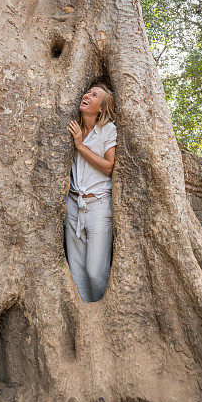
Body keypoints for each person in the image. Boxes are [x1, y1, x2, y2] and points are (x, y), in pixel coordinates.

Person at [64, 83, 117, 302]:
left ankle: (100, 312)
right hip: (74, 204)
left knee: (95, 271)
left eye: (95, 96)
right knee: (76, 270)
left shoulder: (107, 130)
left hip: (98, 205)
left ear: (102, 109)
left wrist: (80, 145)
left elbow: (108, 166)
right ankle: (85, 317)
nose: (87, 95)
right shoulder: (73, 126)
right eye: (88, 92)